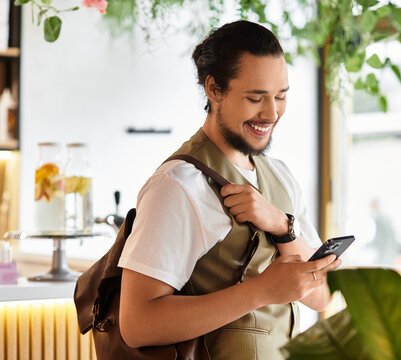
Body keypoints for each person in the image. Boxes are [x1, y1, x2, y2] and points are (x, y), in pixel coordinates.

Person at [117, 20, 342, 359]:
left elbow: (321, 296)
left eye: (281, 96)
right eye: (255, 97)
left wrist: (282, 226)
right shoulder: (178, 184)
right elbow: (137, 324)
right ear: (214, 90)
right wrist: (262, 291)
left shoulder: (280, 176)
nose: (271, 113)